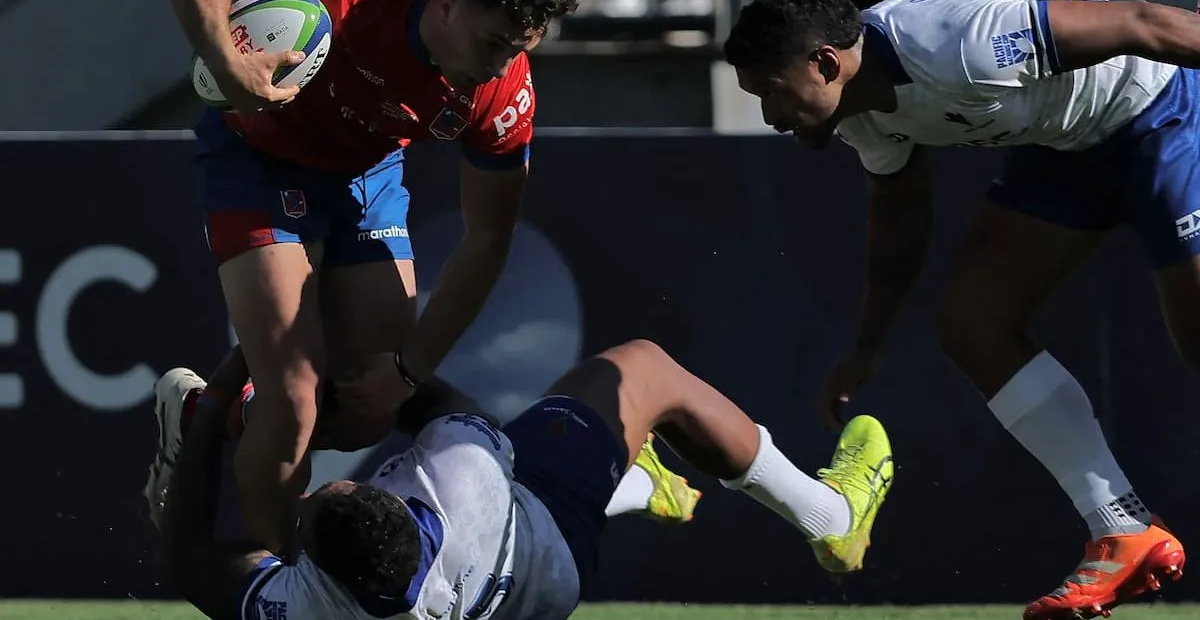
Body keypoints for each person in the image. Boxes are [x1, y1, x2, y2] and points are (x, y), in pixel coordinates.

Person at [722, 0, 1198, 619]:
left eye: (772, 92)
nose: (769, 116)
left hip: (1165, 113)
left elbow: (1141, 21)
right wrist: (869, 345)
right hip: (1069, 149)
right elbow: (901, 212)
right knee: (974, 324)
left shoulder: (960, 44)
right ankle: (1122, 527)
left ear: (827, 63)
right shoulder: (857, 110)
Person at [158, 0, 576, 554]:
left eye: (517, 49)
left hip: (366, 177)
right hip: (259, 162)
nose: (499, 67)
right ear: (449, 3)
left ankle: (208, 413)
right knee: (294, 403)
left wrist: (407, 372)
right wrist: (225, 59)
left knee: (364, 411)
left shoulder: (504, 91)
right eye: (492, 44)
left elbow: (488, 238)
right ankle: (280, 584)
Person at [145, 340, 895, 619]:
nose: (315, 491)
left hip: (535, 593)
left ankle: (636, 483)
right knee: (640, 370)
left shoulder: (313, 603)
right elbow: (433, 400)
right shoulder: (460, 480)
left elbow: (187, 560)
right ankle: (832, 516)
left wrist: (209, 421)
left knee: (244, 547)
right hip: (538, 537)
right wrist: (362, 373)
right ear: (400, 504)